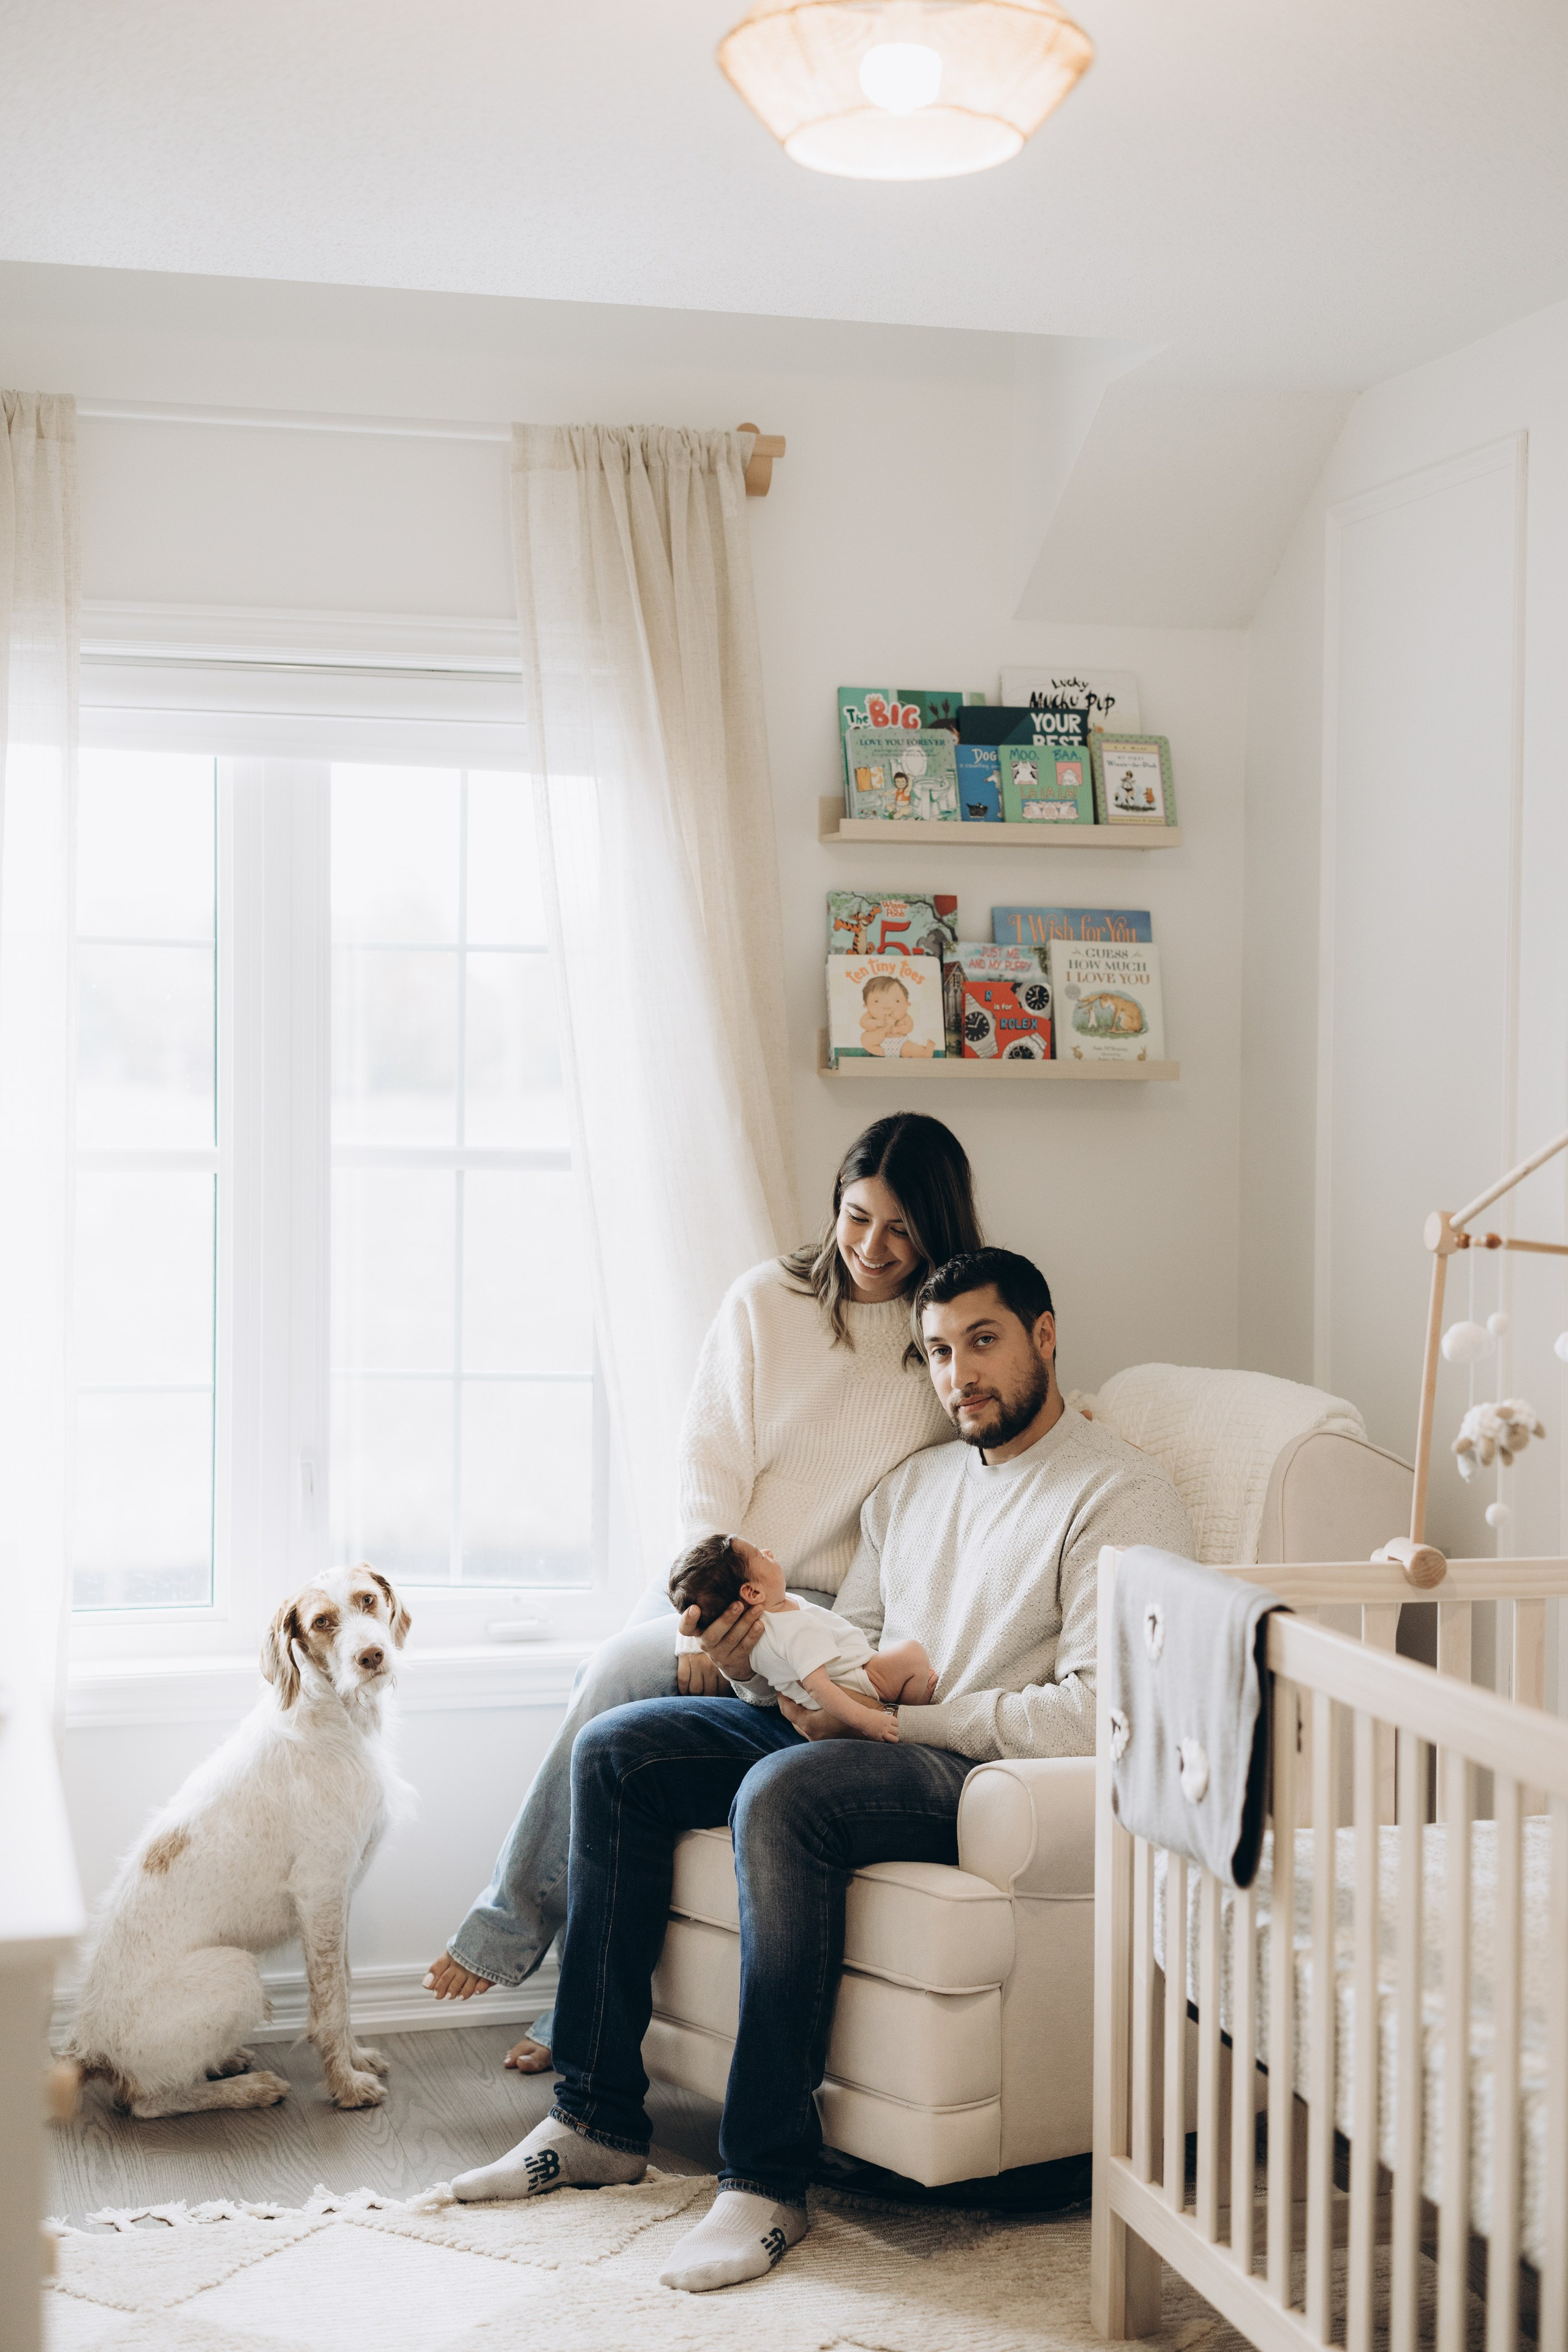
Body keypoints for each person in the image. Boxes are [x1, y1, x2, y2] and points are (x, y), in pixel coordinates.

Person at [446, 1246, 1195, 2295]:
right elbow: (861, 1641)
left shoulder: (1117, 1496)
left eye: (983, 1341)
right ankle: (596, 2117)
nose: (959, 1374)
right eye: (938, 1352)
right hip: (866, 1729)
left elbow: (1098, 1712)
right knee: (623, 1750)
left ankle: (764, 2181)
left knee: (783, 1792)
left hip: (972, 1775)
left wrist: (911, 1720)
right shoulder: (912, 1490)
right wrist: (777, 1678)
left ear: (1045, 1335)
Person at [423, 1113, 982, 2067]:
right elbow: (707, 1464)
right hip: (719, 1574)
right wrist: (696, 1617)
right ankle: (539, 1961)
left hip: (819, 1616)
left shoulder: (939, 1342)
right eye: (855, 1219)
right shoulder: (767, 1303)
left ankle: (535, 1966)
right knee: (612, 1680)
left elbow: (996, 1422)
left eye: (899, 1229)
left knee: (609, 1687)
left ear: (938, 1225)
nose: (871, 1249)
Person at [666, 1532, 937, 1740]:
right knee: (912, 1654)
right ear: (752, 1593)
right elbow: (818, 1687)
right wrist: (870, 1720)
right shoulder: (793, 1628)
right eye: (761, 1557)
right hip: (859, 1681)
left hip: (826, 1699)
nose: (768, 1552)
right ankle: (914, 1707)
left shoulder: (763, 1625)